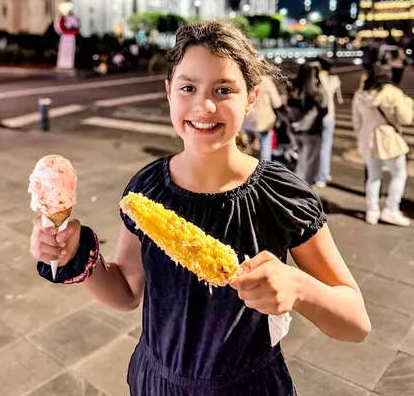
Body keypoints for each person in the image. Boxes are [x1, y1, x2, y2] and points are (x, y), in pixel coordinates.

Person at [30, 22, 370, 396]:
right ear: (169, 92)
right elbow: (127, 292)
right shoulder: (147, 189)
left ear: (252, 96)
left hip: (247, 387)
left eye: (223, 90)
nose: (203, 106)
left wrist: (300, 288)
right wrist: (79, 256)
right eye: (188, 87)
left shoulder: (282, 196)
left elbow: (356, 323)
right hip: (157, 381)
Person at [352, 63, 413, 226]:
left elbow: (356, 120)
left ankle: (372, 211)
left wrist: (360, 137)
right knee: (399, 173)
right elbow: (405, 118)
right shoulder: (393, 93)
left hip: (367, 138)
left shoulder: (361, 93)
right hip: (388, 139)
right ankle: (391, 209)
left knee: (373, 176)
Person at [287, 60, 328, 186]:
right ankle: (303, 191)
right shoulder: (317, 90)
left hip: (294, 131)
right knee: (309, 164)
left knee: (300, 162)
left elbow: (288, 107)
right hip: (312, 132)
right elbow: (325, 109)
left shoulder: (294, 87)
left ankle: (296, 187)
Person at [314, 59, 343, 188]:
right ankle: (322, 176)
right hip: (328, 117)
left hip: (315, 118)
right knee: (325, 147)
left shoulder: (313, 79)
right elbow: (337, 83)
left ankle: (316, 173)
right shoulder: (332, 80)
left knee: (314, 148)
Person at [242, 73, 283, 161]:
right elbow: (277, 103)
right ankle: (263, 171)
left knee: (248, 146)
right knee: (265, 145)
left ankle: (248, 170)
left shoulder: (244, 79)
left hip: (245, 119)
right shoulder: (266, 81)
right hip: (262, 122)